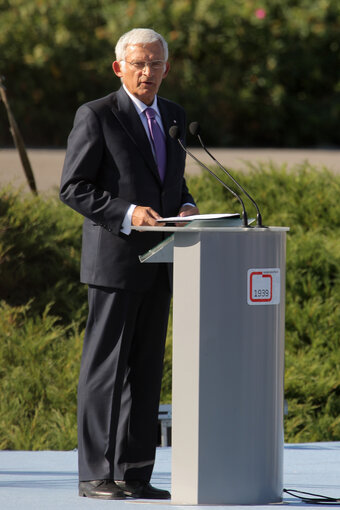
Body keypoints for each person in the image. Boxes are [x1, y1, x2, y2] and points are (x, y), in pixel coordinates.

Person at [60, 28, 198, 500]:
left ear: (166, 67)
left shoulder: (175, 117)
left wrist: (188, 208)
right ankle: (96, 475)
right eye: (139, 63)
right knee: (107, 371)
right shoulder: (97, 115)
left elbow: (173, 185)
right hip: (115, 264)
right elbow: (73, 187)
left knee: (144, 371)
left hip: (161, 264)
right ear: (119, 67)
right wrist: (126, 213)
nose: (148, 72)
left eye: (156, 63)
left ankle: (136, 473)